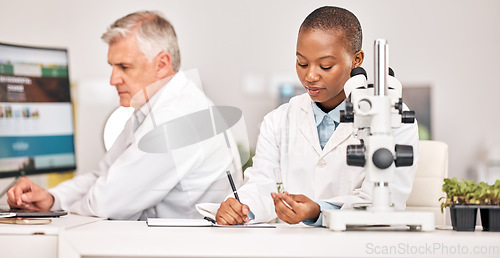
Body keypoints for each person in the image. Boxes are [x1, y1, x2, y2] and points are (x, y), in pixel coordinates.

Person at [7, 11, 242, 220]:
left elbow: (107, 202)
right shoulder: (151, 109)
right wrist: (52, 198)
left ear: (161, 64)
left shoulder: (178, 117)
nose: (113, 80)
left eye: (124, 67)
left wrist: (62, 204)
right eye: (112, 66)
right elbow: (103, 175)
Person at [215, 6, 418, 226]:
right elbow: (263, 185)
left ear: (356, 60)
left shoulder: (392, 118)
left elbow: (384, 202)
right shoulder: (278, 121)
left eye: (325, 65)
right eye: (302, 63)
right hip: (293, 246)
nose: (310, 76)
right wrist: (242, 207)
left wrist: (319, 212)